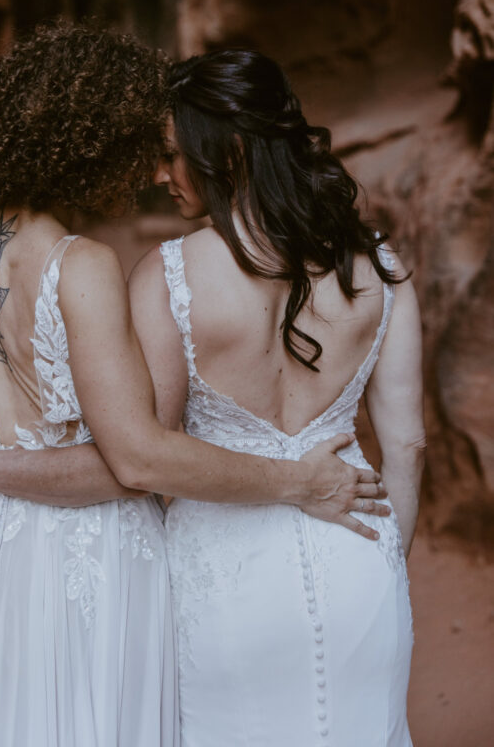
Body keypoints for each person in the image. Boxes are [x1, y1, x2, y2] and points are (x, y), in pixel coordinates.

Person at [0, 25, 388, 747]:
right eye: (143, 149)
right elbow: (136, 460)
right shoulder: (79, 262)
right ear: (97, 147)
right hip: (88, 557)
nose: (153, 171)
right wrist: (297, 482)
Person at [138, 48, 426, 746]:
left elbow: (148, 451)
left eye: (174, 154)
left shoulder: (168, 275)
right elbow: (407, 445)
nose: (159, 174)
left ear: (228, 152)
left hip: (218, 578)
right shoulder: (378, 267)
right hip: (357, 554)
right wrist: (383, 559)